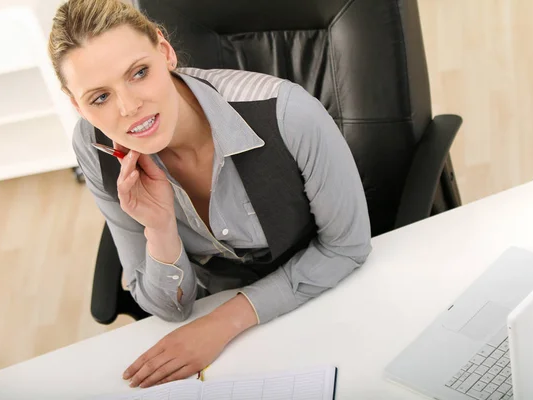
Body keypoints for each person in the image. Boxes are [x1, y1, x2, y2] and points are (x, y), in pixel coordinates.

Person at [48, 0, 372, 389]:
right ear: (75, 105)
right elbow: (168, 307)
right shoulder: (93, 148)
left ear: (164, 51)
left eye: (139, 72)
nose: (129, 107)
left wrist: (223, 323)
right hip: (225, 331)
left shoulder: (286, 112)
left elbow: (346, 248)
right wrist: (160, 229)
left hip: (325, 294)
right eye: (99, 98)